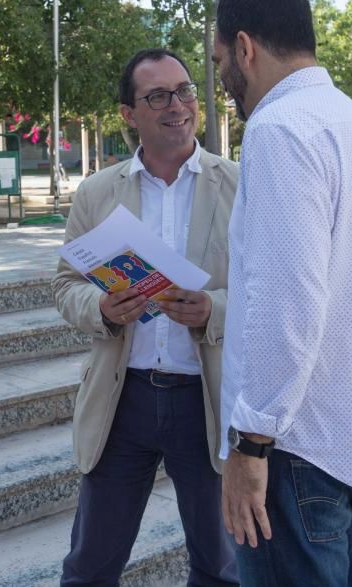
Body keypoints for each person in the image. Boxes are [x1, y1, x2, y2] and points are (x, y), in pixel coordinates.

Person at [213, 0, 352, 586]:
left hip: (297, 452)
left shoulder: (278, 130)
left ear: (245, 47)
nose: (223, 81)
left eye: (220, 61)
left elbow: (286, 301)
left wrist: (251, 445)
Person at [54, 48, 239, 586]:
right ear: (128, 114)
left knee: (220, 565)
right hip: (123, 398)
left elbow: (271, 291)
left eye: (184, 91)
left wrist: (213, 308)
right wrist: (103, 309)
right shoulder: (98, 192)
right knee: (90, 565)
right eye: (157, 96)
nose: (176, 105)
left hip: (206, 395)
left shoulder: (241, 184)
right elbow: (66, 285)